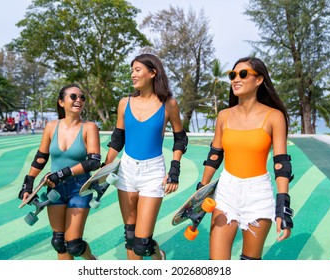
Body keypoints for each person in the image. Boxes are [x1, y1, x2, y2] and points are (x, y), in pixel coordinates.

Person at [198, 57, 294, 260]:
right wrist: (201, 189)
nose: (236, 79)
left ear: (259, 80)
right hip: (226, 191)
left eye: (243, 74)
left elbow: (281, 164)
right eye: (232, 75)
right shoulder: (224, 116)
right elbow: (215, 156)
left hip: (258, 194)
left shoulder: (274, 116)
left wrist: (283, 208)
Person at [104, 53, 188, 260]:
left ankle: (157, 254)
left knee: (141, 243)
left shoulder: (169, 104)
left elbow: (180, 139)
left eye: (137, 70)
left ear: (153, 73)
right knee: (131, 237)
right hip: (126, 170)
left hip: (153, 172)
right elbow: (118, 138)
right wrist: (104, 168)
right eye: (132, 70)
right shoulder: (124, 103)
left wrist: (174, 170)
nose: (133, 74)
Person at [18, 84, 101, 260]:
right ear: (61, 102)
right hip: (54, 188)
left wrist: (62, 173)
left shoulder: (89, 127)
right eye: (73, 97)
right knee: (59, 242)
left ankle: (92, 261)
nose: (79, 100)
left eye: (82, 97)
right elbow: (41, 157)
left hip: (79, 187)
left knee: (74, 245)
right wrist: (28, 183)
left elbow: (93, 162)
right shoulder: (51, 126)